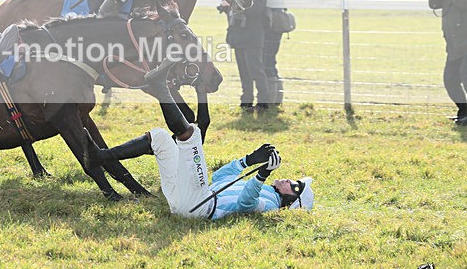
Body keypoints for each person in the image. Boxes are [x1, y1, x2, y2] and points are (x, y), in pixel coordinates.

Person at [91, 60, 314, 219]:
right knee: (159, 137)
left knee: (193, 135)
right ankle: (100, 157)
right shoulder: (264, 190)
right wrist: (248, 160)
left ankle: (160, 87)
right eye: (295, 181)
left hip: (199, 206)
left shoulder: (270, 205)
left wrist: (262, 175)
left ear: (291, 203)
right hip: (186, 198)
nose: (289, 181)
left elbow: (247, 204)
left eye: (295, 187)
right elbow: (218, 178)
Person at [219, 0, 271, 111]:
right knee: (243, 72)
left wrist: (232, 3)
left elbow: (256, 11)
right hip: (238, 36)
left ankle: (263, 103)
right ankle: (246, 100)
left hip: (253, 37)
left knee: (256, 70)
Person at [254, 0, 286, 105]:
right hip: (257, 25)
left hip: (273, 25)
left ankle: (275, 99)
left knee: (268, 59)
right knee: (259, 61)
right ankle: (266, 98)